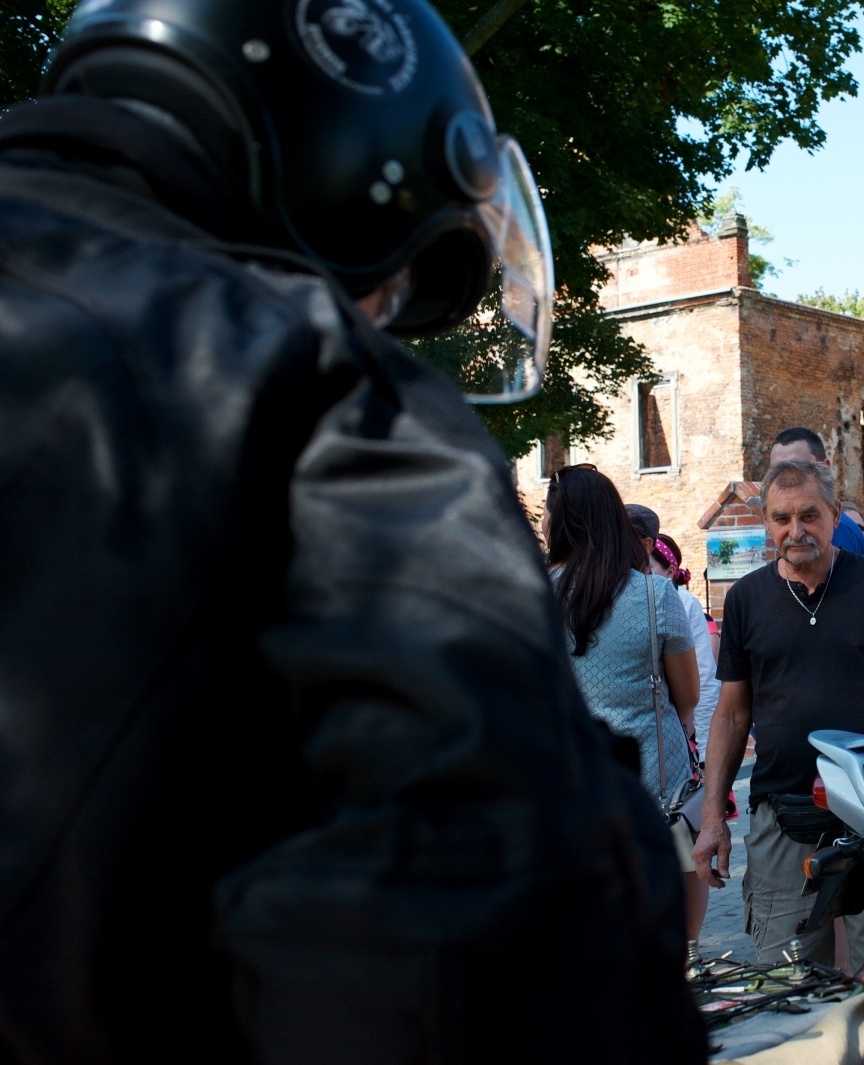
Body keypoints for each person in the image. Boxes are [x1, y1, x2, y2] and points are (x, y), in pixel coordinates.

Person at [0, 1, 704, 1060]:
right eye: (392, 281)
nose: (374, 313)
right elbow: (504, 913)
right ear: (348, 153)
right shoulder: (314, 385)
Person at [693, 460, 864, 969]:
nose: (795, 531)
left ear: (834, 514)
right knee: (788, 981)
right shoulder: (746, 599)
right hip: (782, 815)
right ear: (766, 521)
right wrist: (713, 818)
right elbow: (731, 715)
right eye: (781, 518)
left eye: (809, 515)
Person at [544, 468, 705, 948]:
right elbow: (688, 697)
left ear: (559, 523)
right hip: (656, 783)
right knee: (674, 937)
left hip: (571, 784)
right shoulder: (656, 595)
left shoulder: (532, 597)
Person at [650, 533, 721, 750]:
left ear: (670, 572)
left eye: (648, 567)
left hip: (678, 732)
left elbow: (704, 677)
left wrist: (705, 751)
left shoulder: (686, 604)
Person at [770, 426, 864, 555]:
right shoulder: (770, 525)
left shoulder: (843, 532)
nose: (787, 478)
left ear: (825, 468)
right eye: (777, 470)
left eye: (798, 467)